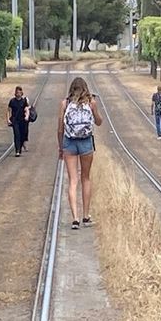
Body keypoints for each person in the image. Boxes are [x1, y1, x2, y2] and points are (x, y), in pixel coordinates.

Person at [57, 77, 103, 230]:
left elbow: (60, 129)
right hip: (86, 142)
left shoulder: (65, 104)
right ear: (85, 88)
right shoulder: (91, 103)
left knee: (73, 180)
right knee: (86, 178)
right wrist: (94, 109)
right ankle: (86, 215)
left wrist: (61, 147)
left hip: (69, 142)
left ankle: (75, 218)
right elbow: (99, 121)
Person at [7, 86, 29, 157]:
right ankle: (17, 150)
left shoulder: (24, 101)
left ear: (22, 93)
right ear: (15, 93)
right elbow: (8, 110)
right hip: (15, 120)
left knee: (22, 135)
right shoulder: (12, 101)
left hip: (22, 121)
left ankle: (21, 144)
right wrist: (8, 119)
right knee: (17, 135)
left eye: (19, 92)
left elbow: (27, 109)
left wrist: (26, 116)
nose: (18, 93)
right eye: (17, 92)